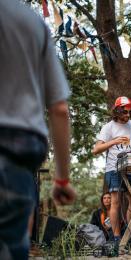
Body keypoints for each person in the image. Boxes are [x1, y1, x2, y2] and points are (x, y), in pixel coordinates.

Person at [0, 1, 76, 259]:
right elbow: (59, 109)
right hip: (17, 146)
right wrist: (62, 179)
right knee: (12, 242)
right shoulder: (32, 23)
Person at [92, 96, 131, 248]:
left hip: (130, 168)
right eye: (124, 112)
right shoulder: (108, 127)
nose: (127, 115)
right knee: (116, 203)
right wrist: (114, 141)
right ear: (117, 111)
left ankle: (130, 234)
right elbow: (96, 149)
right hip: (113, 168)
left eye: (130, 112)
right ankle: (117, 237)